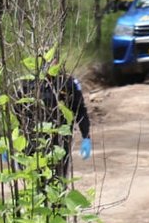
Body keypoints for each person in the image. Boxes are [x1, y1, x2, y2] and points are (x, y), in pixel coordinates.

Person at [16, 49, 92, 179]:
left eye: (50, 59)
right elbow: (18, 113)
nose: (47, 63)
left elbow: (80, 111)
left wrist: (86, 136)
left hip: (59, 143)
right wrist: (12, 142)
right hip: (33, 143)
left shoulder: (68, 83)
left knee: (57, 182)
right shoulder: (27, 84)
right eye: (43, 59)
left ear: (57, 61)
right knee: (34, 184)